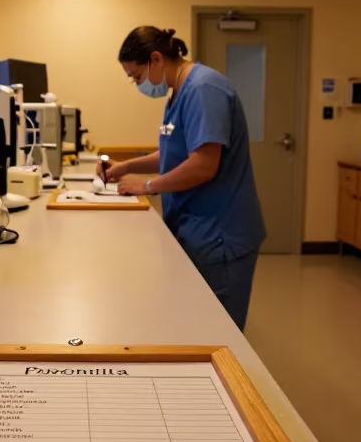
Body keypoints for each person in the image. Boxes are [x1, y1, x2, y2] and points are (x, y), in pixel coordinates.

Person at [98, 25, 266, 331]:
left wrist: (147, 186)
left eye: (137, 76)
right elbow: (176, 155)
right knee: (193, 324)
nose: (139, 84)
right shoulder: (179, 92)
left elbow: (202, 165)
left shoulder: (204, 90)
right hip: (196, 228)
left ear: (156, 59)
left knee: (218, 333)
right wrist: (124, 167)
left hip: (220, 234)